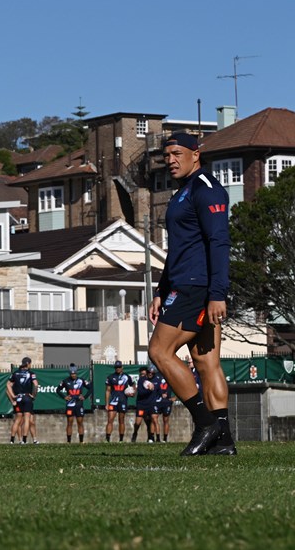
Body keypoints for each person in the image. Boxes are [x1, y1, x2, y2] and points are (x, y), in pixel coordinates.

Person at [148, 133, 236, 456]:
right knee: (205, 361)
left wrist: (217, 293)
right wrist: (161, 290)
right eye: (166, 154)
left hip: (197, 288)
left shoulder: (206, 189)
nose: (170, 159)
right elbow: (178, 250)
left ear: (195, 154)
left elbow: (219, 242)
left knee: (159, 350)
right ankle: (224, 440)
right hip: (184, 285)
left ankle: (205, 423)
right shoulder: (182, 192)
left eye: (176, 153)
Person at [6, 356, 38, 444]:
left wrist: (13, 395)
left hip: (18, 398)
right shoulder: (31, 373)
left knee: (18, 420)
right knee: (27, 419)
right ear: (28, 364)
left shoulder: (15, 373)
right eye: (30, 363)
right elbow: (36, 384)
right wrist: (34, 395)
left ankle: (12, 440)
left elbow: (8, 385)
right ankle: (24, 439)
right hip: (27, 397)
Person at [56, 364, 91, 443]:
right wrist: (64, 397)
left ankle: (81, 442)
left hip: (79, 404)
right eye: (72, 374)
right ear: (70, 374)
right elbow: (58, 390)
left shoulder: (81, 380)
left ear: (76, 373)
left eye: (74, 373)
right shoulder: (65, 381)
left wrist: (85, 397)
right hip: (70, 404)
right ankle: (69, 442)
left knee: (80, 422)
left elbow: (90, 388)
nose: (73, 375)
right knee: (69, 422)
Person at [105, 360, 135, 442]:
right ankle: (107, 439)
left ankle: (121, 440)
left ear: (122, 367)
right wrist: (107, 403)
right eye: (116, 367)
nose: (118, 368)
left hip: (123, 400)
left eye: (119, 367)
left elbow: (133, 385)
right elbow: (108, 390)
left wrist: (133, 393)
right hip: (113, 401)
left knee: (121, 420)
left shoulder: (127, 377)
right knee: (110, 419)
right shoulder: (110, 377)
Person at [131, 366, 158, 443]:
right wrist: (149, 390)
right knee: (138, 422)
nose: (150, 374)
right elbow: (141, 392)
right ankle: (135, 432)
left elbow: (158, 391)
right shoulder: (141, 380)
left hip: (151, 404)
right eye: (149, 372)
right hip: (141, 404)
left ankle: (151, 437)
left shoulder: (156, 380)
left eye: (152, 373)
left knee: (150, 421)